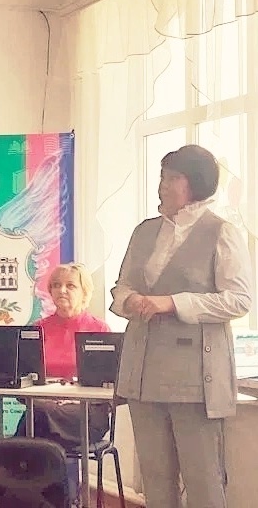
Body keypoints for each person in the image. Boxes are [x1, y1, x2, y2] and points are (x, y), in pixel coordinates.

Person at [111, 145, 253, 508]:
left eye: (173, 178)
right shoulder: (144, 231)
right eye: (162, 177)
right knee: (156, 482)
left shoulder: (222, 232)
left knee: (203, 481)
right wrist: (130, 300)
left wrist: (173, 302)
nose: (163, 186)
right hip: (142, 375)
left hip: (195, 381)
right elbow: (121, 287)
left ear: (196, 184)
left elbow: (239, 300)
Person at [14, 263, 111, 505]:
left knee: (34, 425)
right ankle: (59, 500)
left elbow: (109, 383)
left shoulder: (99, 329)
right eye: (56, 285)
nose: (62, 290)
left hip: (87, 414)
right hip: (44, 409)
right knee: (41, 423)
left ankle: (4, 490)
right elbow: (24, 379)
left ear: (84, 292)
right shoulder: (39, 328)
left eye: (70, 285)